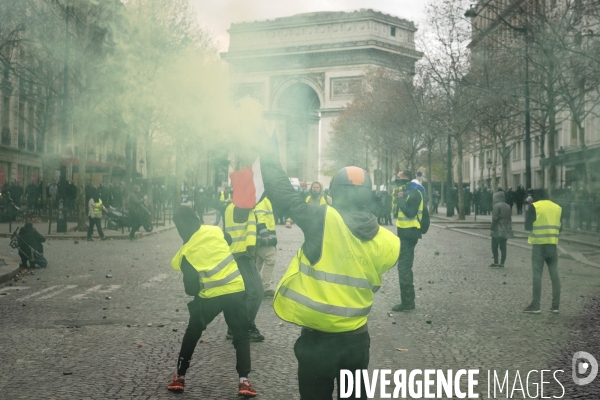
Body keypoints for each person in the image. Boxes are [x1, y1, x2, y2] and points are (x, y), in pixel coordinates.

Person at [260, 158, 400, 400]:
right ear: (368, 196)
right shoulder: (389, 242)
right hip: (357, 341)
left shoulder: (323, 220)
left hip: (318, 342)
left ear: (332, 193)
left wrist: (268, 156)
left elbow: (284, 195)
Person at [167, 206, 257, 397]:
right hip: (234, 289)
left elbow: (190, 289)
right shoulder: (215, 230)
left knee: (192, 332)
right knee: (241, 335)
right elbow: (229, 239)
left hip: (210, 298)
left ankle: (180, 377)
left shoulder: (185, 253)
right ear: (197, 217)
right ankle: (244, 381)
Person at [219, 201, 264, 342]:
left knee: (240, 293)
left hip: (235, 253)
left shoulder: (231, 206)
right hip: (242, 254)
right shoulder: (242, 206)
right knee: (256, 291)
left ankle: (234, 328)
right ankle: (244, 328)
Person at [523, 189, 562, 314]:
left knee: (537, 275)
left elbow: (528, 226)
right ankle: (555, 306)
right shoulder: (557, 208)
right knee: (555, 276)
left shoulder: (534, 206)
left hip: (539, 246)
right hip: (552, 245)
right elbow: (560, 227)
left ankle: (536, 305)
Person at [393, 170, 426, 312]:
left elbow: (410, 212)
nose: (397, 179)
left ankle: (407, 302)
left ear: (406, 179)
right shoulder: (410, 191)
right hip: (406, 234)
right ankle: (408, 301)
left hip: (410, 234)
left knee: (404, 268)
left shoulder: (414, 193)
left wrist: (400, 199)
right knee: (404, 267)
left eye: (399, 177)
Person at [253, 196, 277, 297]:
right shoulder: (262, 200)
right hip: (265, 236)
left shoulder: (263, 198)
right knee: (270, 259)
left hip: (262, 236)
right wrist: (264, 234)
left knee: (257, 262)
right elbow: (260, 217)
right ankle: (265, 287)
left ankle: (252, 285)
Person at [490, 191, 513, 268]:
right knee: (503, 246)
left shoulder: (496, 206)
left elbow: (495, 218)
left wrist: (492, 228)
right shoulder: (507, 206)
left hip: (498, 229)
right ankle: (502, 262)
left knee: (494, 246)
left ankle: (496, 262)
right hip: (506, 229)